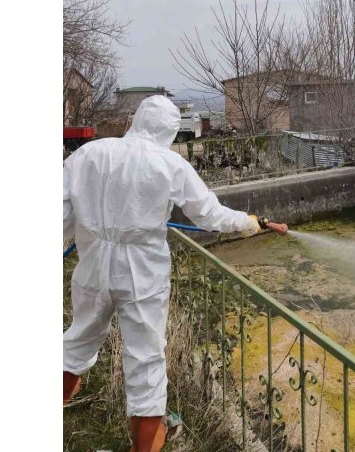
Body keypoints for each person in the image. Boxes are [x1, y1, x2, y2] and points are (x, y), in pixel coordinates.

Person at [63, 95, 286, 452]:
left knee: (76, 341)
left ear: (135, 121)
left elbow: (59, 215)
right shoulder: (171, 165)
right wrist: (251, 222)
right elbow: (210, 215)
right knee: (146, 360)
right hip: (143, 274)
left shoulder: (89, 154)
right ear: (169, 130)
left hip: (93, 266)